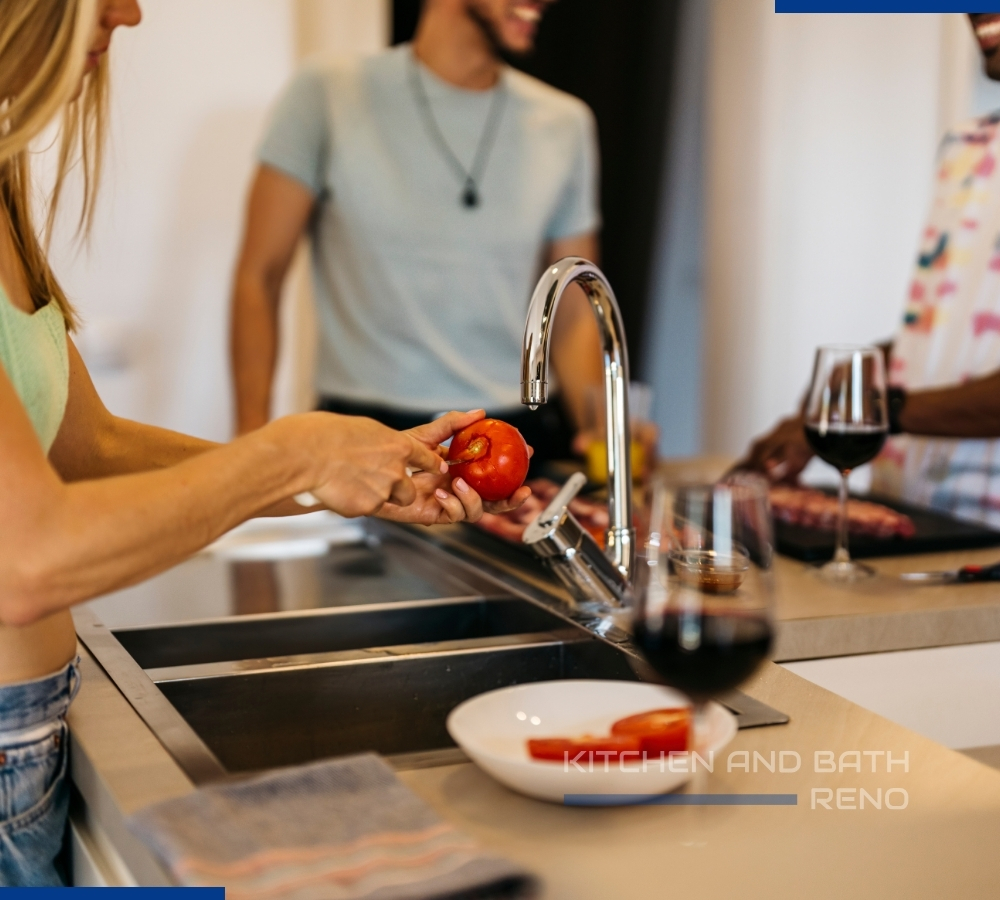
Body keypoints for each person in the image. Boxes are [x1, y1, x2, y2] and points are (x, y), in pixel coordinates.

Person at [0, 0, 528, 885]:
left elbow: (88, 446)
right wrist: (290, 453)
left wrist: (330, 478)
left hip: (29, 732)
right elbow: (25, 557)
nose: (131, 12)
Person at [229, 0, 606, 466]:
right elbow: (259, 276)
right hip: (361, 433)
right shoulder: (329, 91)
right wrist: (250, 450)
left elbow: (573, 309)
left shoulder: (565, 124)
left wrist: (601, 430)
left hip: (513, 439)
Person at [739, 13, 1000, 531]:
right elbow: (943, 336)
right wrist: (852, 383)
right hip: (916, 512)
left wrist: (878, 407)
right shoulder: (966, 146)